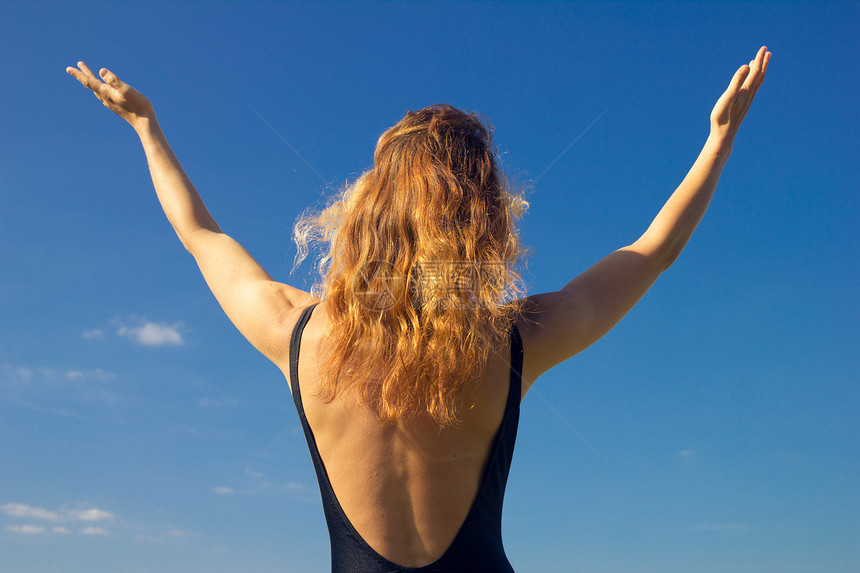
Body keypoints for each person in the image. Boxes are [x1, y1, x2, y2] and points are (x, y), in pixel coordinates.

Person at [67, 46, 771, 572]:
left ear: (368, 208)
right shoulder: (513, 339)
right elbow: (652, 251)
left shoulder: (297, 330)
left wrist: (147, 128)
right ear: (482, 216)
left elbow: (203, 236)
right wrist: (719, 141)